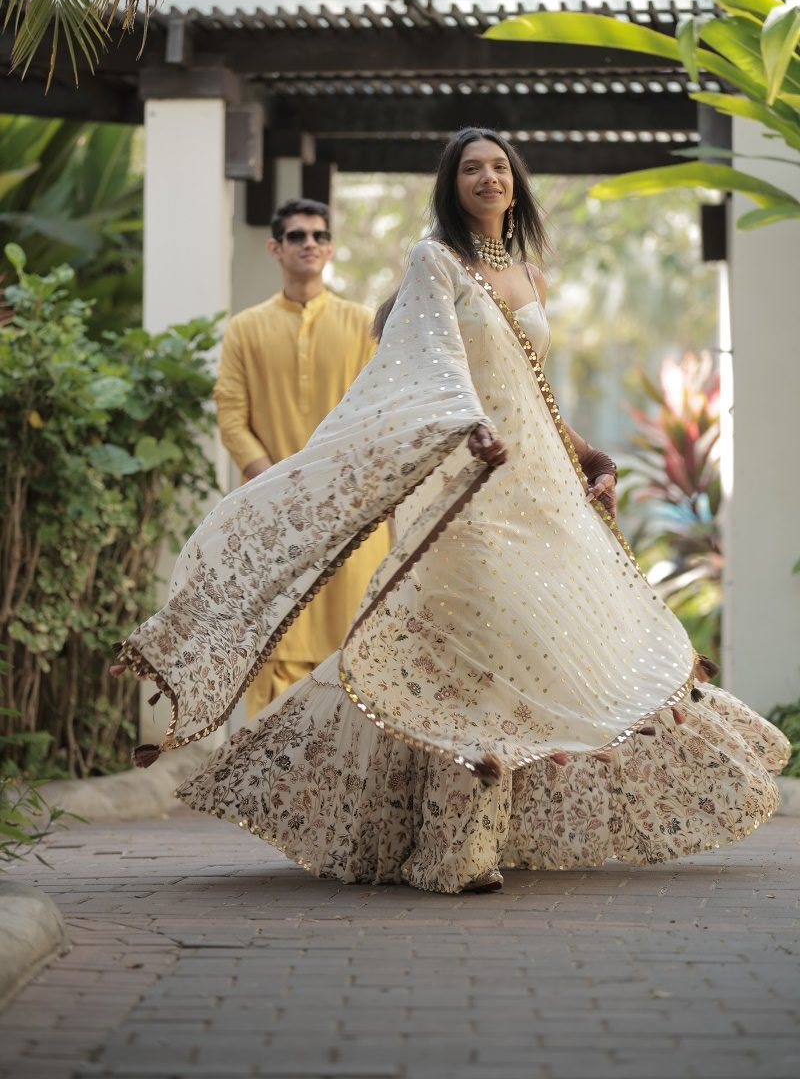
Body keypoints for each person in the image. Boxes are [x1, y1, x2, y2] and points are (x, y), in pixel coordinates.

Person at [115, 128, 788, 896]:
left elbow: (531, 388)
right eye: (472, 168)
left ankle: (492, 828)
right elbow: (430, 369)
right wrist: (470, 429)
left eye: (500, 167)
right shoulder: (434, 261)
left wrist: (584, 453)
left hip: (538, 490)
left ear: (517, 183)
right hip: (468, 487)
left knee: (546, 643)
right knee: (463, 648)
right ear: (451, 184)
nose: (489, 177)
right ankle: (453, 850)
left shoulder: (529, 274)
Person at [213, 197, 389, 717]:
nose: (309, 243)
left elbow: (381, 412)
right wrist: (274, 482)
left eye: (318, 236)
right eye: (296, 236)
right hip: (273, 515)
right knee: (272, 640)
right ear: (275, 248)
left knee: (352, 646)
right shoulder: (244, 328)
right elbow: (230, 415)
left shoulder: (364, 326)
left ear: (330, 249)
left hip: (351, 512)